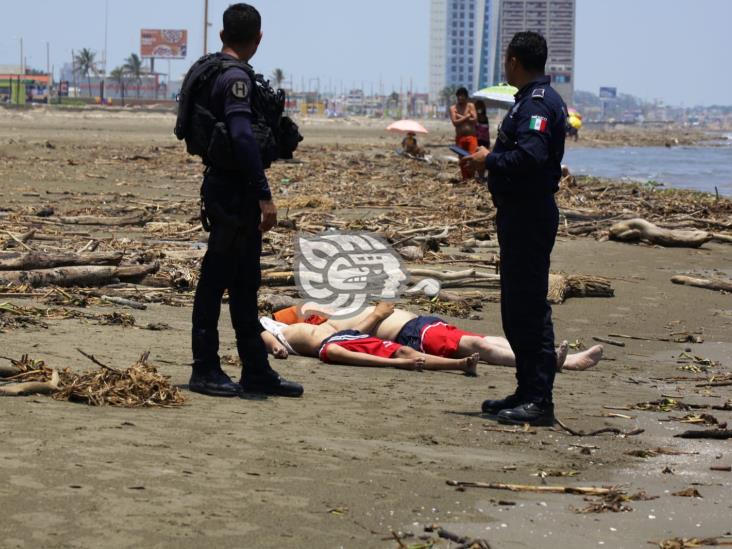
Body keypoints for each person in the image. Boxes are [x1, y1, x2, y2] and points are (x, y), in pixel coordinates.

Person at [186, 3, 302, 398]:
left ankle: (255, 368)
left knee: (245, 281)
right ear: (259, 38)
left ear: (222, 35)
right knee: (216, 278)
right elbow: (241, 135)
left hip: (230, 187)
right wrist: (264, 195)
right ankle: (204, 368)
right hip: (233, 192)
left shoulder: (212, 69)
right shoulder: (235, 78)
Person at [460, 32, 567, 426]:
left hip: (530, 215)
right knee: (515, 309)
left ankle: (540, 400)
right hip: (518, 214)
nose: (504, 65)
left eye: (506, 59)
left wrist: (490, 161)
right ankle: (526, 389)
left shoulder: (539, 104)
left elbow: (532, 156)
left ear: (514, 61)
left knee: (529, 309)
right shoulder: (527, 101)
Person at [268, 305, 603, 372]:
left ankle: (546, 354)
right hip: (413, 335)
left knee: (484, 340)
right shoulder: (331, 331)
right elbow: (356, 337)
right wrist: (380, 314)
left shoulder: (328, 322)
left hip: (420, 326)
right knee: (481, 346)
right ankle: (556, 362)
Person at [260, 303, 479, 375]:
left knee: (404, 350)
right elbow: (262, 336)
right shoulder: (269, 326)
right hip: (327, 346)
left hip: (341, 337)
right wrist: (277, 347)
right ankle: (399, 364)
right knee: (336, 352)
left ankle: (459, 364)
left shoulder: (314, 322)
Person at [450, 87, 478, 180]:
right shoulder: (453, 108)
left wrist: (459, 116)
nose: (460, 98)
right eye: (459, 96)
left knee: (472, 158)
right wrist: (467, 116)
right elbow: (455, 122)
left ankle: (472, 178)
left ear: (466, 97)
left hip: (471, 136)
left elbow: (474, 120)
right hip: (460, 137)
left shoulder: (471, 106)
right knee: (462, 159)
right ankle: (465, 178)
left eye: (462, 96)